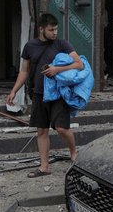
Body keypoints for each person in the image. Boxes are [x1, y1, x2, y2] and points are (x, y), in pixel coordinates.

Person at [6, 13, 84, 177]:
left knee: (62, 128)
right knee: (41, 131)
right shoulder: (30, 46)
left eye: (56, 29)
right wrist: (14, 91)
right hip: (38, 94)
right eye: (51, 30)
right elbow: (24, 71)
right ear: (41, 29)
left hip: (57, 95)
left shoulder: (62, 44)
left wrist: (58, 69)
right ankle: (44, 167)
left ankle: (73, 152)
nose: (55, 32)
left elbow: (79, 64)